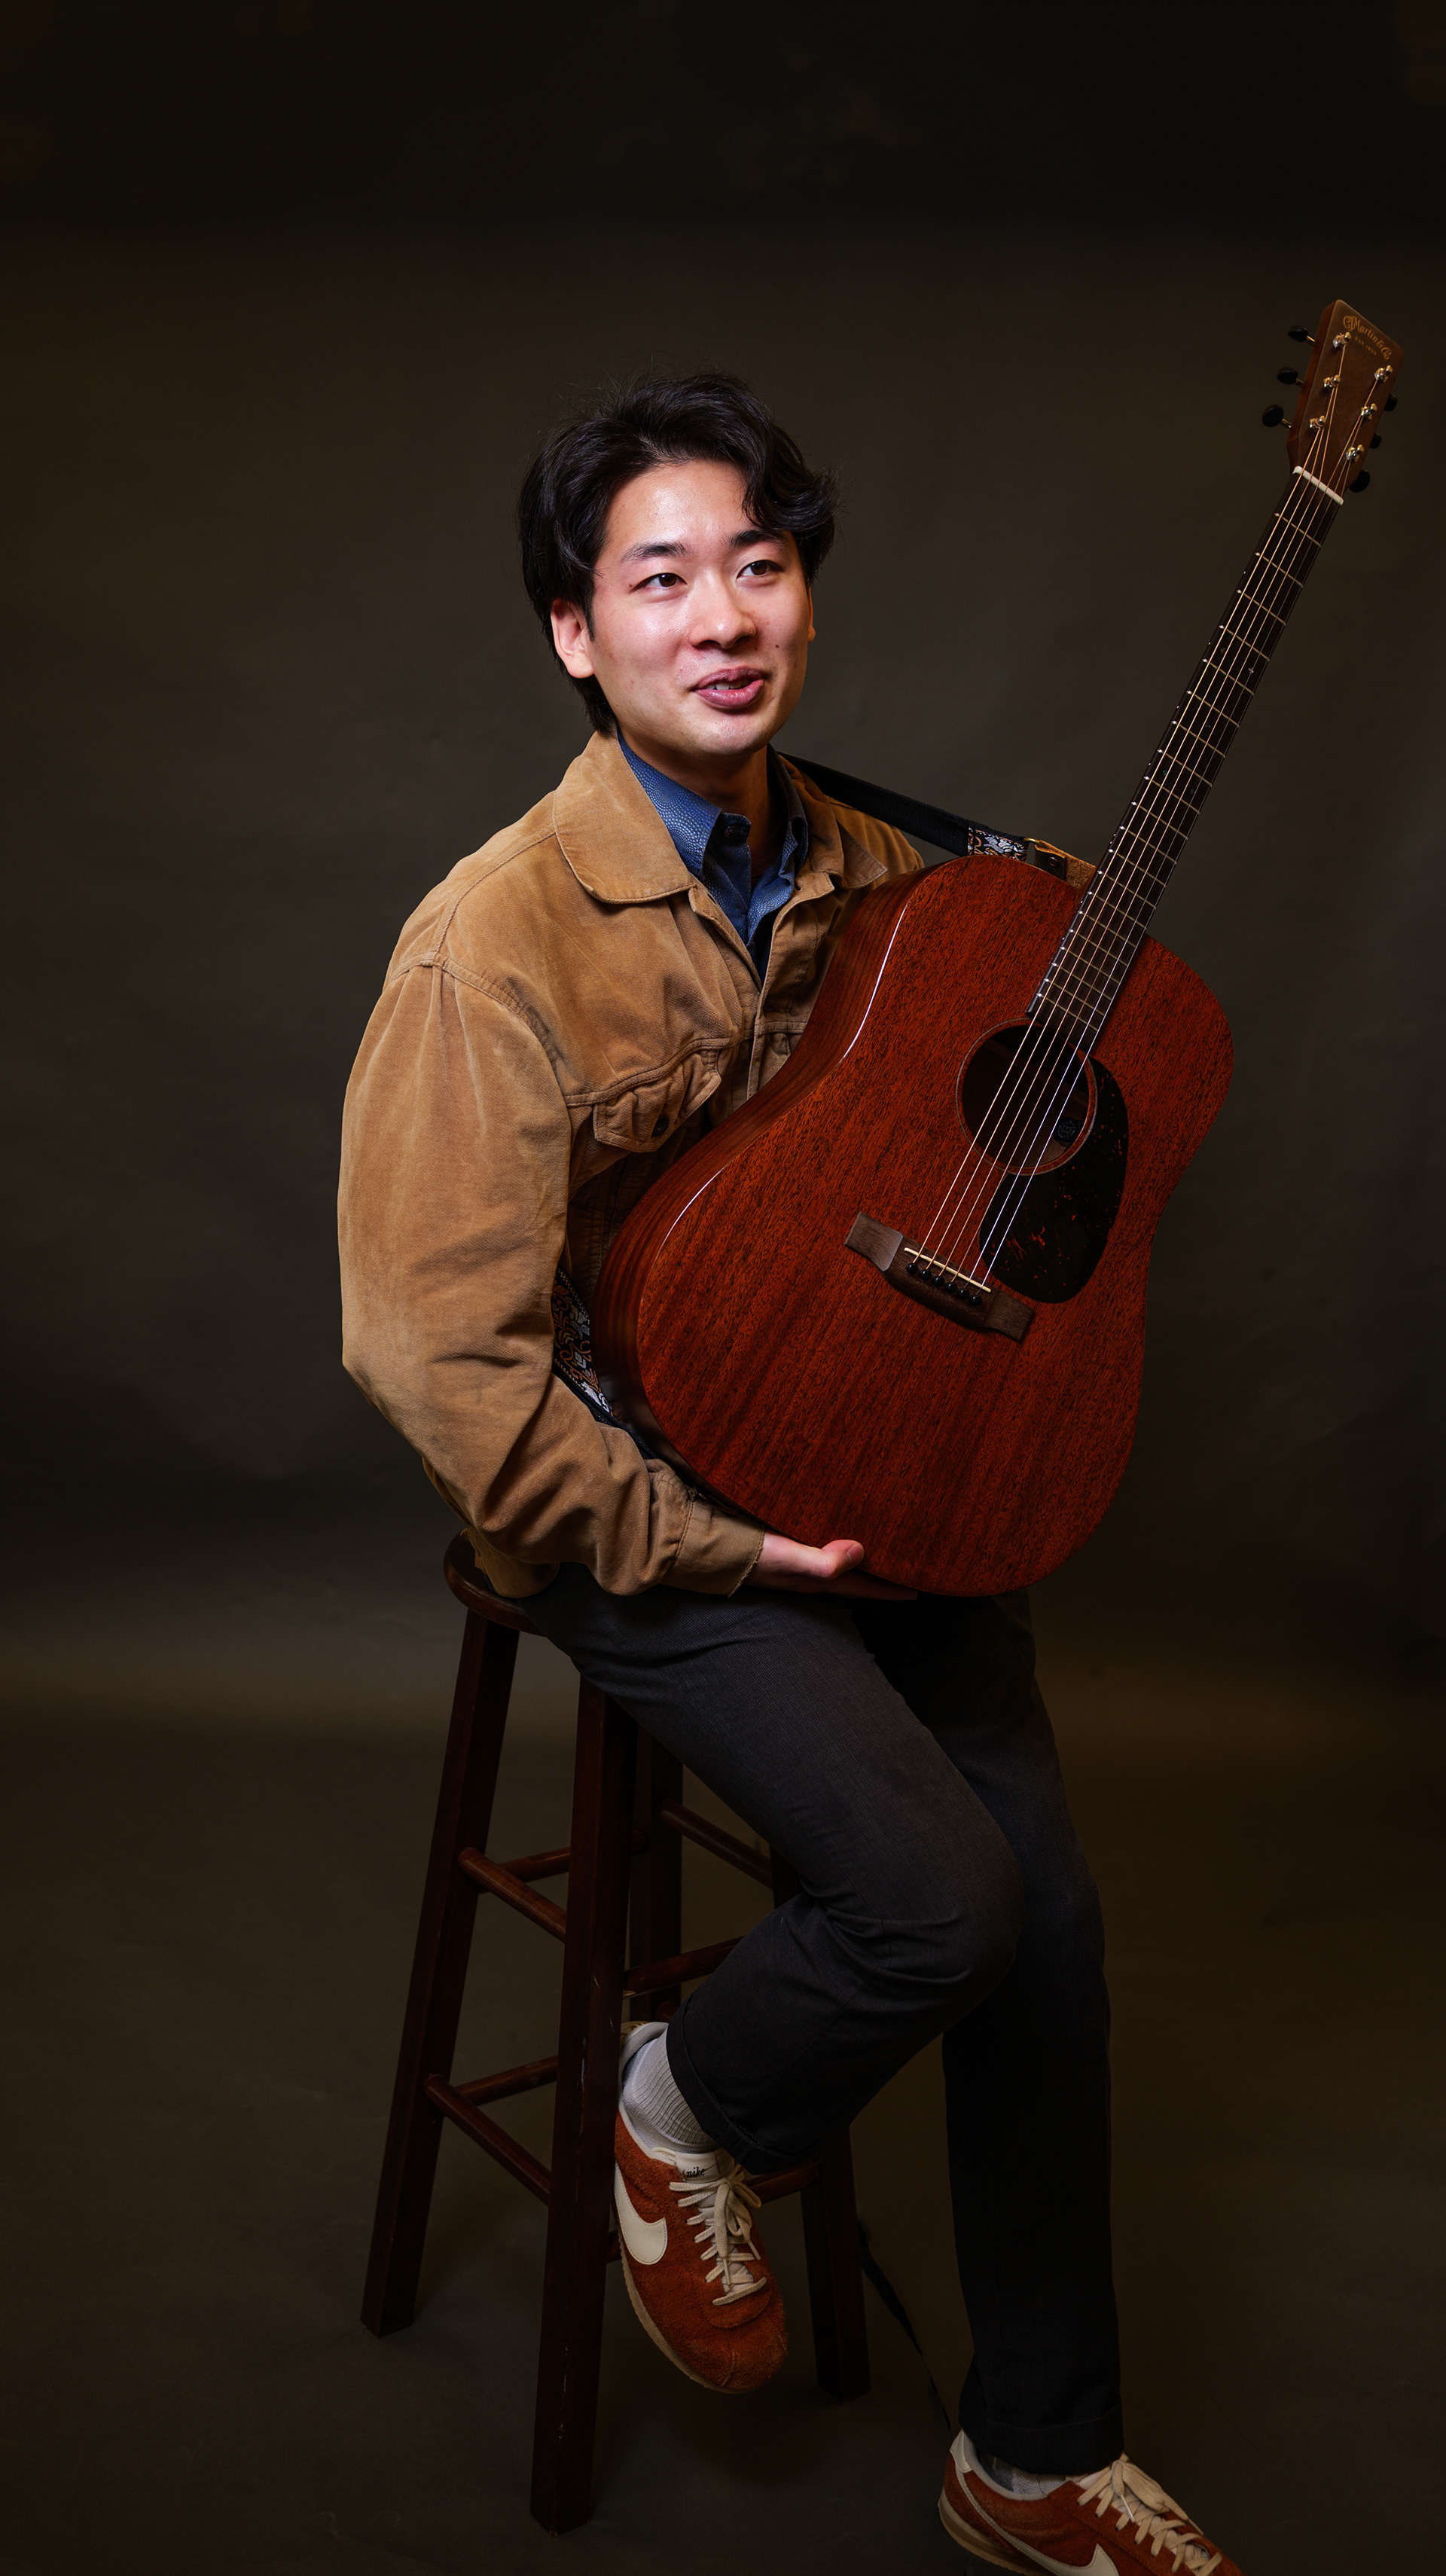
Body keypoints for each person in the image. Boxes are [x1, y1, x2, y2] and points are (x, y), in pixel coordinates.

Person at [338, 374, 1243, 2576]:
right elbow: (442, 1368)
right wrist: (718, 1540)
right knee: (941, 1900)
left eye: (760, 564)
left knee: (1053, 1935)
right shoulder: (492, 942)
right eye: (662, 579)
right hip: (629, 1495)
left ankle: (1033, 2456)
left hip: (877, 1448)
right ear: (578, 633)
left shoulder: (896, 873)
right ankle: (683, 2104)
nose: (725, 616)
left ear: (806, 597)